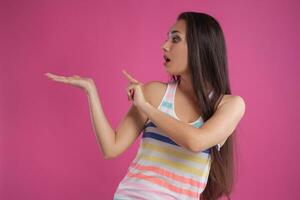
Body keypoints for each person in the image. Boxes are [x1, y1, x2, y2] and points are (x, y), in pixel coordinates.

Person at [45, 11, 245, 200]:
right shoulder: (155, 92)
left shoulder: (229, 105)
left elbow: (196, 142)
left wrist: (146, 107)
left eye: (175, 39)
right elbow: (111, 147)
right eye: (167, 38)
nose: (165, 46)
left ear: (200, 47)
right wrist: (91, 91)